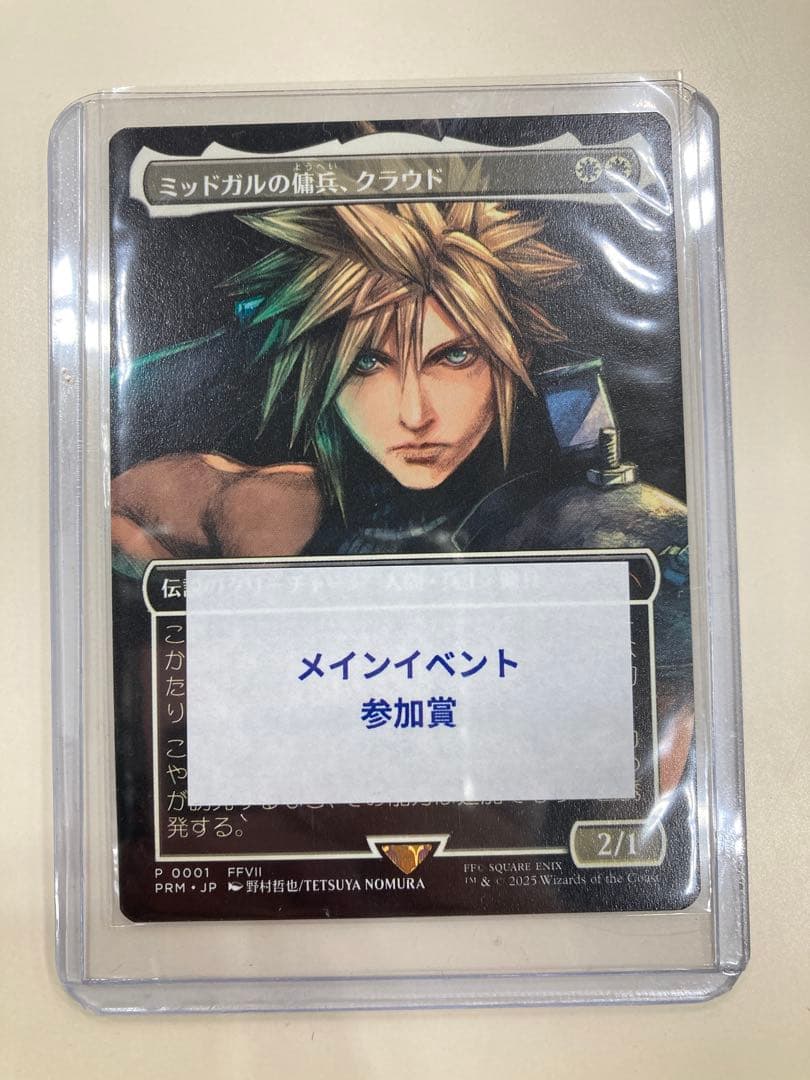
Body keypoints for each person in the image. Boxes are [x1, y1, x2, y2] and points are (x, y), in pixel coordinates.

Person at [112, 199, 693, 791]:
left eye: (455, 356)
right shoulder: (272, 509)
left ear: (510, 357)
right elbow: (110, 512)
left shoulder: (585, 515)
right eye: (369, 362)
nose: (415, 414)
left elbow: (657, 758)